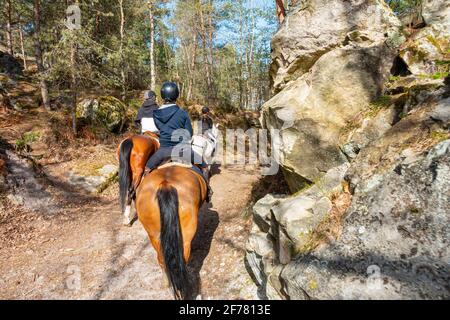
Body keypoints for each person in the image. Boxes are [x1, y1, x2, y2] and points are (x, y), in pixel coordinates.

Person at [144, 82, 212, 202]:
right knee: (205, 167)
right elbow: (189, 134)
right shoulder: (182, 113)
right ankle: (207, 192)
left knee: (146, 169)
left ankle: (144, 196)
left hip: (162, 152)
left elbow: (159, 129)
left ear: (162, 95)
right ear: (176, 95)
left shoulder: (156, 114)